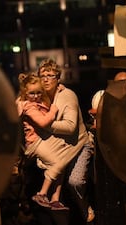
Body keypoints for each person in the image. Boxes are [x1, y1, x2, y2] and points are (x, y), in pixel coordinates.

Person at [37, 58, 95, 223]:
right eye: (43, 76)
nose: (46, 79)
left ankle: (86, 210)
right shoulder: (40, 97)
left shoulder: (67, 95)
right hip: (59, 148)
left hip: (78, 146)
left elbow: (70, 126)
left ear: (58, 79)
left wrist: (45, 125)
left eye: (50, 75)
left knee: (75, 181)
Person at [17, 72, 78, 210]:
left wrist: (57, 91)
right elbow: (43, 122)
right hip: (35, 143)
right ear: (25, 93)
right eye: (32, 93)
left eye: (39, 92)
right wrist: (53, 111)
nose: (36, 96)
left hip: (43, 139)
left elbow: (48, 102)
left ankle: (55, 198)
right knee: (58, 162)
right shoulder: (29, 106)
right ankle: (42, 193)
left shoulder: (38, 101)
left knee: (63, 160)